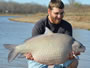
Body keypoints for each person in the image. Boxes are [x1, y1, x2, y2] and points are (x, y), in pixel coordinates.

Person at [24, 0, 80, 68]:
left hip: (59, 57)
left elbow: (68, 47)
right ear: (49, 11)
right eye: (56, 13)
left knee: (74, 61)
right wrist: (27, 54)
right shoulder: (39, 25)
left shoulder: (67, 26)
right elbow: (33, 46)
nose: (59, 16)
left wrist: (71, 55)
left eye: (62, 13)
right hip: (40, 58)